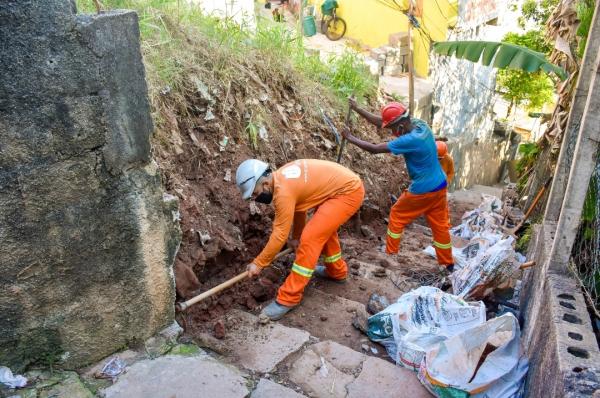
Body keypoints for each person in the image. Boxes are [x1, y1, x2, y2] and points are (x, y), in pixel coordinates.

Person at [235, 158, 364, 320]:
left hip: (348, 192)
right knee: (322, 229)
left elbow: (279, 235)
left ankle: (288, 298)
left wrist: (259, 263)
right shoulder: (281, 178)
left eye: (255, 193)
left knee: (310, 237)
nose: (256, 198)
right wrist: (295, 237)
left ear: (266, 184)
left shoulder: (283, 192)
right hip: (340, 189)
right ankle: (336, 271)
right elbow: (300, 206)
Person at [342, 99, 454, 272]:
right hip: (440, 184)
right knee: (440, 226)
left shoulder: (410, 140)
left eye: (394, 130)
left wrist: (350, 138)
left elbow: (375, 149)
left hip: (423, 189)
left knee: (397, 214)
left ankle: (390, 252)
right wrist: (358, 109)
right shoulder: (420, 125)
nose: (393, 133)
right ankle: (447, 263)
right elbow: (382, 122)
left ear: (401, 126)